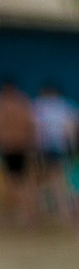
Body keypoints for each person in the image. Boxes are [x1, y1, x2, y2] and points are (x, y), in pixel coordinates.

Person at [32, 82, 79, 223]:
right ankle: (62, 211)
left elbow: (33, 127)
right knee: (58, 180)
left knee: (47, 180)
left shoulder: (39, 105)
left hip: (46, 147)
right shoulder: (65, 105)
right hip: (60, 147)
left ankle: (54, 212)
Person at [0, 79, 37, 225]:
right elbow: (31, 125)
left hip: (9, 146)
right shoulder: (23, 103)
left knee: (13, 181)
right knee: (25, 181)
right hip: (23, 145)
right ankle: (28, 214)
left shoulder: (3, 105)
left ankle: (21, 214)